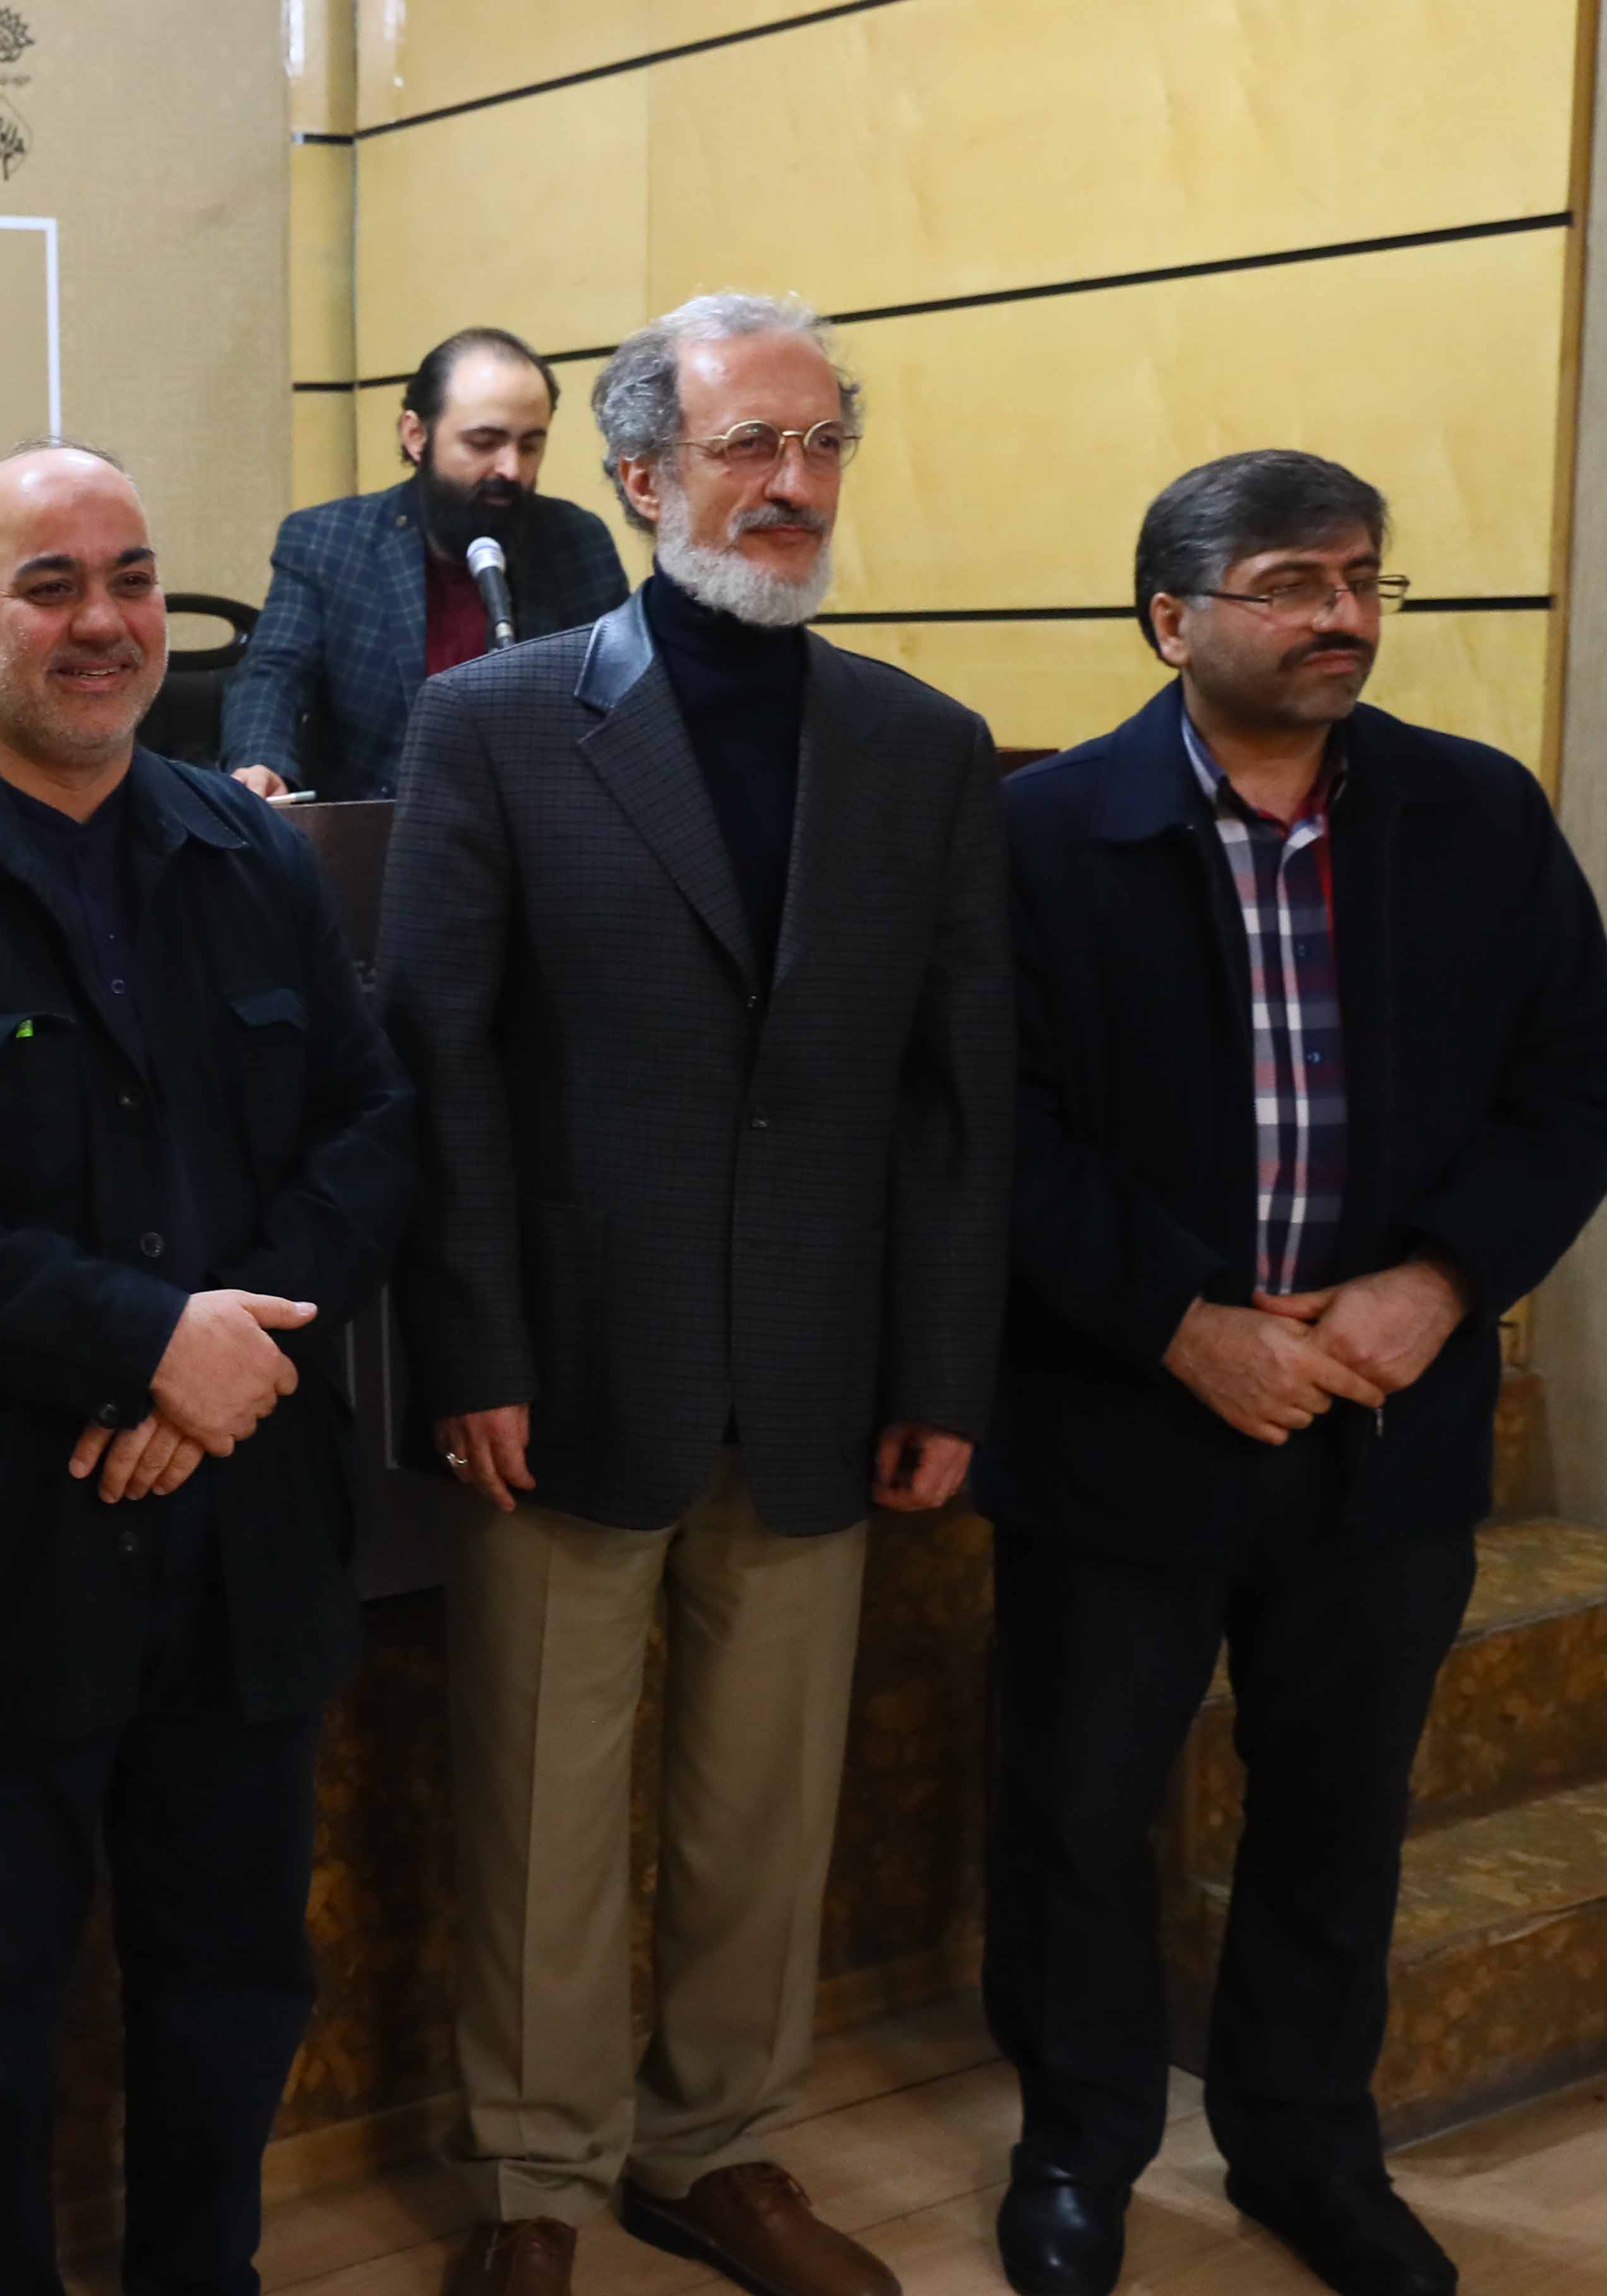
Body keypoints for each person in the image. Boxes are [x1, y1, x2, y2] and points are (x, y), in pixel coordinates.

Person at [376, 294, 1012, 2296]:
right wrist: (471, 1344)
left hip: (824, 1368)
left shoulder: (922, 748)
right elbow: (438, 1063)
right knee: (542, 1806)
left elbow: (958, 1095)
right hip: (568, 1369)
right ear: (643, 478)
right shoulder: (495, 721)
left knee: (766, 1800)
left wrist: (942, 1368)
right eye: (750, 447)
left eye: (821, 443)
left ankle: (716, 2145)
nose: (794, 484)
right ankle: (537, 2179)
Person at [0, 439, 415, 2293]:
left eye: (130, 577)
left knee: (234, 1986)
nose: (104, 620)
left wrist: (225, 1357)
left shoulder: (249, 854)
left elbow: (369, 1127)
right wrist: (147, 1344)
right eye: (48, 584)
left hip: (245, 1549)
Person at [981, 451, 1607, 2296]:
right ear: (1169, 620)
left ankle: (1305, 2144)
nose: (1340, 615)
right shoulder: (1041, 833)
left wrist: (1442, 1280)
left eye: (1360, 577)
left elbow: (1574, 1081)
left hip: (1383, 1417)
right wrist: (1179, 1319)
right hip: (1119, 1411)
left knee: (1335, 1813)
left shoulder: (1471, 811)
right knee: (1077, 1812)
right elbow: (986, 1127)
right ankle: (1078, 2147)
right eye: (1288, 582)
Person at [224, 326, 629, 800]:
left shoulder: (576, 541)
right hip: (377, 827)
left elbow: (620, 697)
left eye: (529, 445)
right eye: (484, 442)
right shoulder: (327, 540)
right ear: (416, 435)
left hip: (539, 826)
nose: (511, 469)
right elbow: (274, 676)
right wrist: (262, 762)